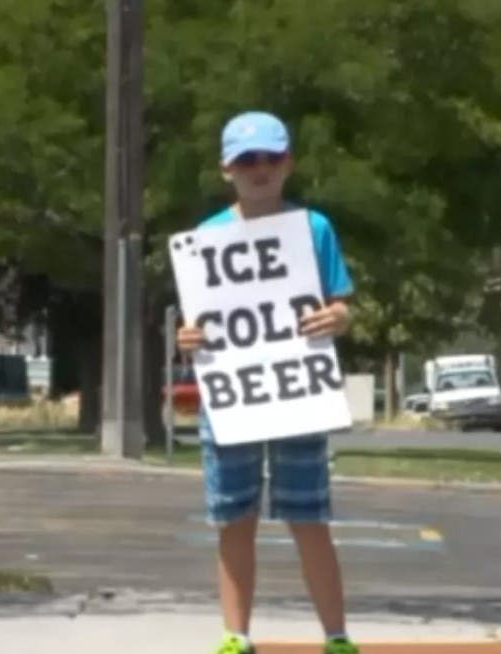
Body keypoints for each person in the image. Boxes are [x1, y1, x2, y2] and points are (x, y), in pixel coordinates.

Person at [177, 111, 359, 654]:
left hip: (299, 394)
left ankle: (337, 635)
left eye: (271, 158)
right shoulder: (205, 239)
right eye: (247, 160)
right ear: (226, 169)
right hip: (233, 399)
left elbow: (340, 303)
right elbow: (199, 326)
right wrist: (187, 340)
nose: (260, 169)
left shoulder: (314, 228)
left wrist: (340, 318)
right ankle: (236, 636)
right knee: (234, 516)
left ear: (289, 164)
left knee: (309, 515)